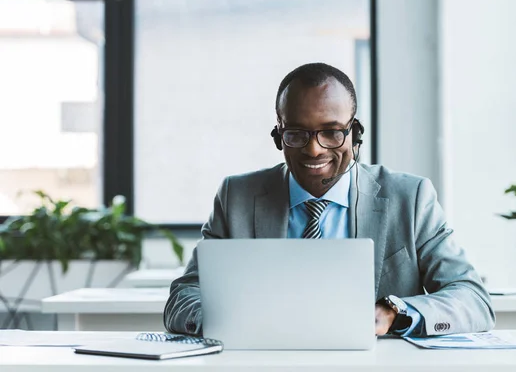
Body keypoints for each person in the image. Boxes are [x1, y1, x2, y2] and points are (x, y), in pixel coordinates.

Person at [164, 62, 495, 337]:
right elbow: (183, 297)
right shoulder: (237, 197)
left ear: (355, 133)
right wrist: (229, 320)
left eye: (332, 132)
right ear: (279, 135)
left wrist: (395, 311)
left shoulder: (410, 198)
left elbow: (472, 299)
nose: (314, 149)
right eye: (296, 133)